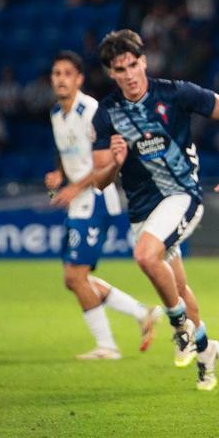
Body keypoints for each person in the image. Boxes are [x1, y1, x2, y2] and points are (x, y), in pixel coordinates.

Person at [56, 30, 219, 391]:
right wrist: (115, 162)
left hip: (181, 195)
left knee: (145, 255)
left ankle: (178, 327)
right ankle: (206, 350)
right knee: (178, 287)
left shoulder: (175, 93)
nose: (129, 74)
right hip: (143, 210)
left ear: (143, 61)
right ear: (111, 73)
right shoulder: (106, 114)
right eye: (120, 69)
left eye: (133, 64)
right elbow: (101, 181)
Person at [44, 51, 161, 360]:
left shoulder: (92, 110)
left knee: (75, 277)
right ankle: (141, 313)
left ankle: (107, 346)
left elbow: (106, 162)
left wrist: (75, 187)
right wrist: (59, 175)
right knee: (74, 279)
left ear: (79, 79)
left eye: (67, 73)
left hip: (96, 199)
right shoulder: (56, 114)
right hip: (78, 203)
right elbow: (67, 154)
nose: (61, 79)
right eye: (56, 73)